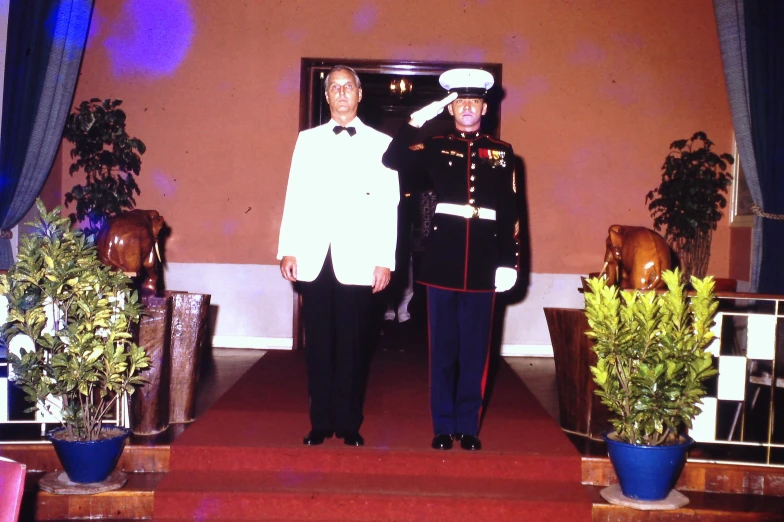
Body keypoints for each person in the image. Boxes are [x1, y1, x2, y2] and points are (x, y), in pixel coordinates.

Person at [382, 69, 519, 451]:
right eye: (461, 102)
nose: (468, 108)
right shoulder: (436, 144)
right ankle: (442, 426)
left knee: (476, 350)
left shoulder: (502, 152)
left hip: (484, 263)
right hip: (442, 262)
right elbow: (392, 159)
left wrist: (510, 260)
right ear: (452, 107)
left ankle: (468, 427)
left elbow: (511, 209)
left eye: (474, 102)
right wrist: (417, 120)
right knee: (442, 349)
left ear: (484, 108)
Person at [277, 65, 399, 447]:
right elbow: (294, 196)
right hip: (314, 257)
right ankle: (320, 422)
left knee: (353, 345)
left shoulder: (382, 143)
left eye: (348, 86)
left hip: (360, 259)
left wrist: (385, 259)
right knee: (319, 347)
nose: (342, 92)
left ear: (360, 94)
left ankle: (348, 423)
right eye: (334, 87)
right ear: (326, 96)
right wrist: (288, 249)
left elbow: (388, 205)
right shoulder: (307, 140)